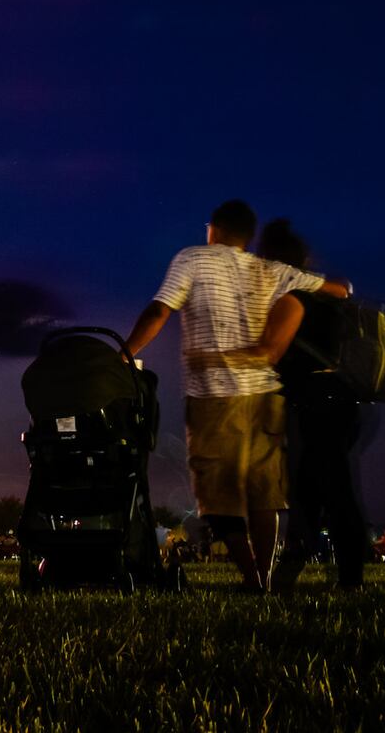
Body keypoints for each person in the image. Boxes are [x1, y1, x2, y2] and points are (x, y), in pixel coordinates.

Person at [126, 199, 349, 592]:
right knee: (265, 491)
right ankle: (264, 574)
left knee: (218, 494)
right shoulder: (270, 270)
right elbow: (339, 290)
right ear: (247, 236)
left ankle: (252, 578)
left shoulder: (193, 259)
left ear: (213, 229)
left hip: (214, 396)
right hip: (265, 395)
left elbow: (160, 310)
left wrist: (125, 353)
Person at [229, 220, 371, 591]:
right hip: (339, 401)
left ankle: (350, 580)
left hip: (316, 403)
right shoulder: (328, 296)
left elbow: (272, 353)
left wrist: (220, 357)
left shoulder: (293, 301)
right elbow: (344, 290)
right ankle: (285, 580)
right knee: (310, 493)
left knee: (332, 492)